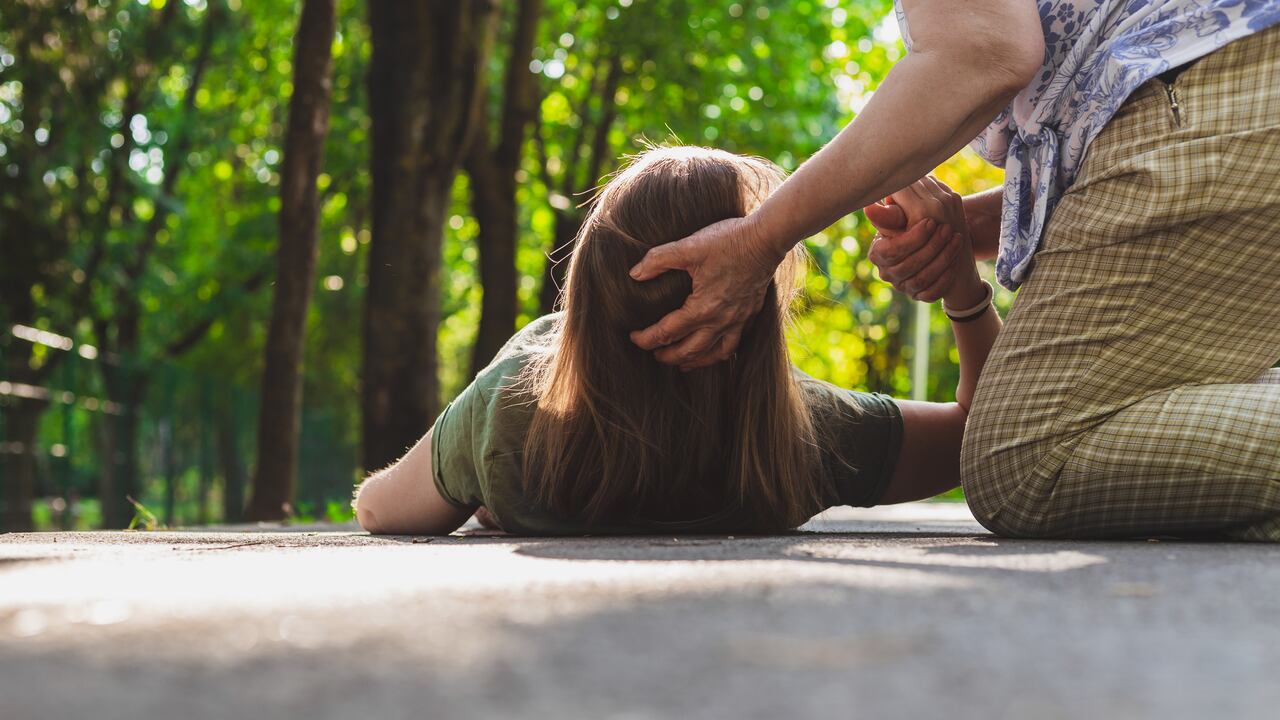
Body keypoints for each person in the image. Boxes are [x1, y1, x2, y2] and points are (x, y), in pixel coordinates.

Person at [626, 1, 1280, 540]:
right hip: (1227, 80)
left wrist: (761, 237)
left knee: (1025, 462)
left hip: (1216, 82)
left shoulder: (803, 431)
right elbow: (994, 59)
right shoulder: (811, 434)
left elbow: (984, 52)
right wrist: (960, 242)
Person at [354, 146, 998, 535]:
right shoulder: (803, 434)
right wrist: (964, 293)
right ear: (751, 307)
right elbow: (984, 439)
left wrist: (479, 473)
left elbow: (378, 510)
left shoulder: (513, 409)